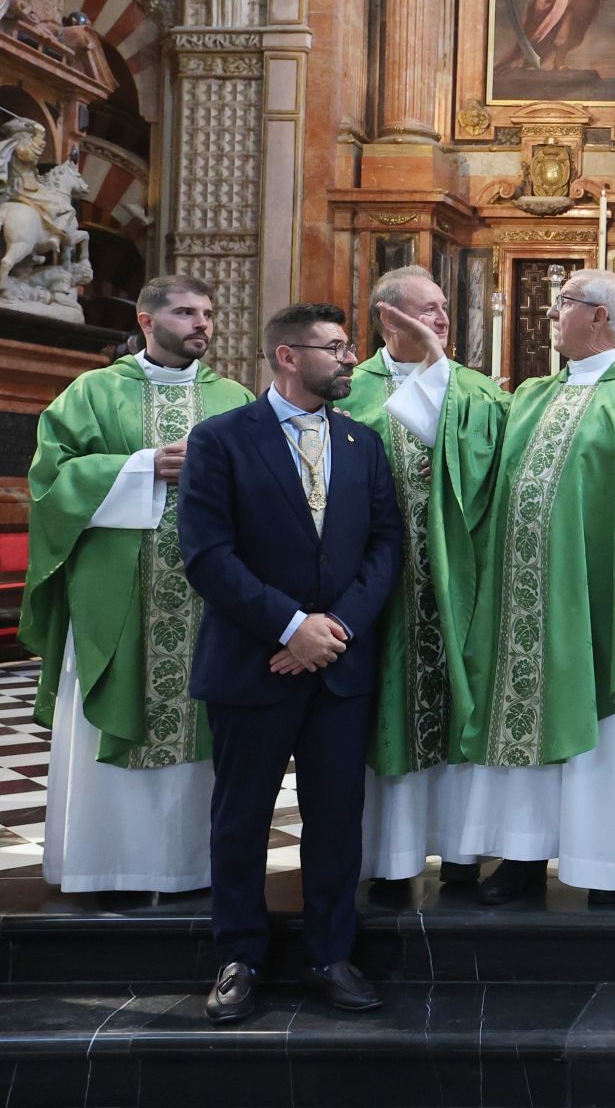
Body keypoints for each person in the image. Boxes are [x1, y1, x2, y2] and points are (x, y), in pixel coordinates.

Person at [381, 268, 615, 906]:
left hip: (609, 607)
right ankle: (521, 858)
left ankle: (608, 865)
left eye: (563, 304)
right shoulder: (536, 394)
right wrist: (432, 362)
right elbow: (466, 451)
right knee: (520, 725)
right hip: (523, 604)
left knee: (610, 731)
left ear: (598, 316)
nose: (552, 315)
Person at [179, 303, 403, 1023]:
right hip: (254, 659)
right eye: (334, 348)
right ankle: (238, 956)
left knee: (336, 819)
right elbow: (207, 554)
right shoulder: (220, 440)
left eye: (347, 347)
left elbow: (385, 546)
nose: (348, 359)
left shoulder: (363, 442)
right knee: (240, 817)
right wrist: (289, 623)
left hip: (339, 662)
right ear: (285, 356)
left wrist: (334, 626)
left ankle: (329, 953)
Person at [23, 275, 252, 897]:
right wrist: (142, 466)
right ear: (147, 322)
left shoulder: (234, 399)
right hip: (115, 597)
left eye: (207, 312)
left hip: (210, 602)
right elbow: (49, 482)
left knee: (207, 727)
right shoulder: (93, 393)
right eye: (184, 312)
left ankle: (193, 867)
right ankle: (106, 866)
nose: (201, 323)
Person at [337, 267, 510, 889]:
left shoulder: (477, 391)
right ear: (389, 318)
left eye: (443, 309)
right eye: (428, 309)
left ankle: (463, 851)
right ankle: (388, 857)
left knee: (460, 698)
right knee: (381, 708)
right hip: (370, 592)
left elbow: (493, 476)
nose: (441, 318)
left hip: (457, 583)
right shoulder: (346, 389)